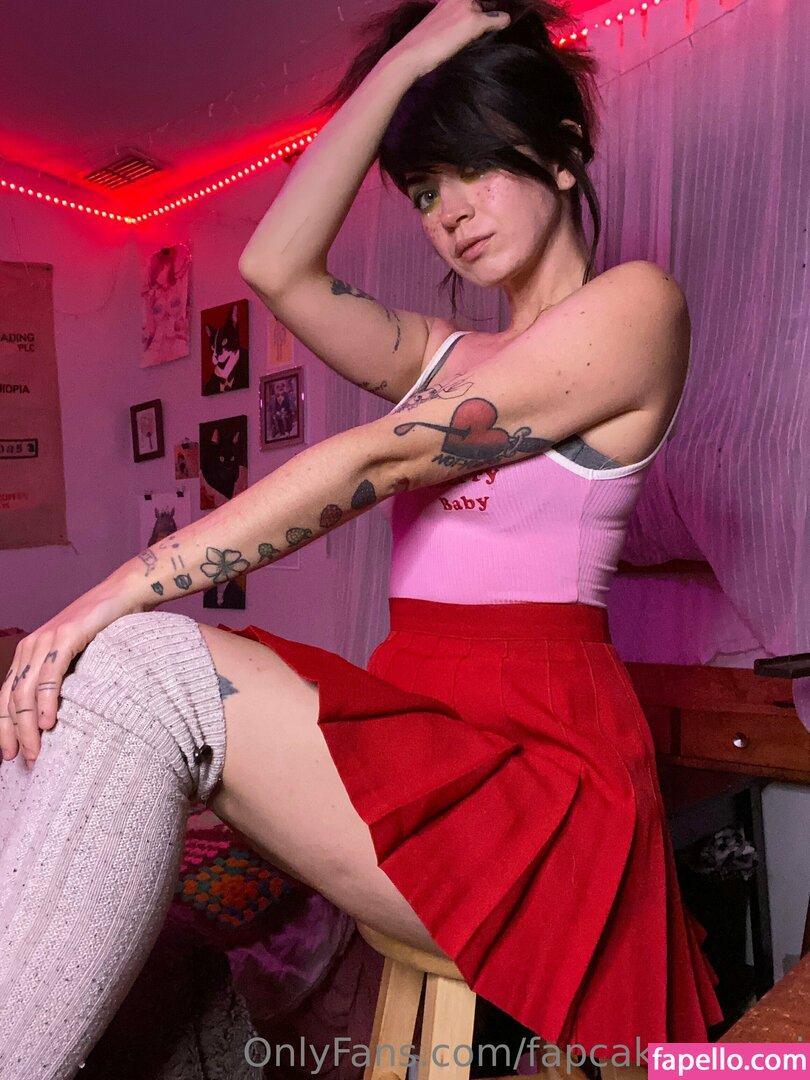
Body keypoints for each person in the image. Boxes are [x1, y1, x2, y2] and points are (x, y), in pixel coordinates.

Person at [0, 1, 723, 1076]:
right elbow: (276, 268)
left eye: (476, 168)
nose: (450, 214)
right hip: (420, 727)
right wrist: (405, 64)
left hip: (542, 780)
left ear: (565, 153)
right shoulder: (442, 355)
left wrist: (112, 591)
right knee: (98, 687)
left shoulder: (636, 309)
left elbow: (371, 461)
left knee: (140, 662)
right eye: (425, 192)